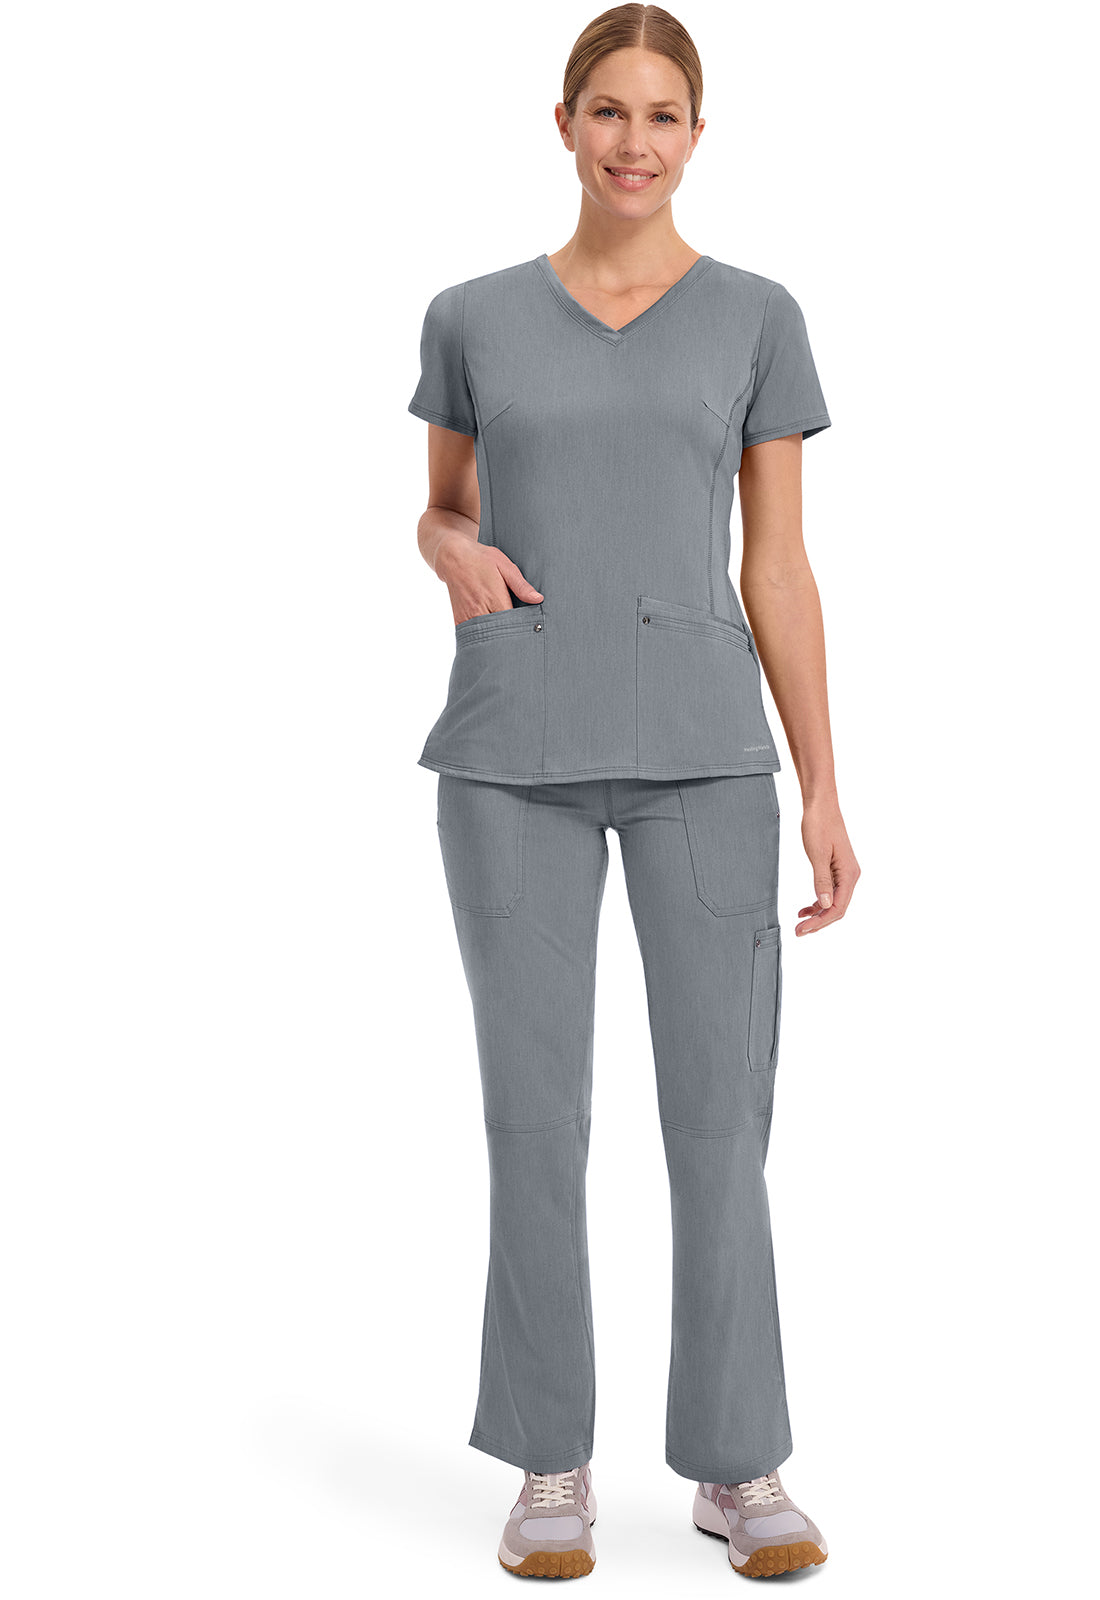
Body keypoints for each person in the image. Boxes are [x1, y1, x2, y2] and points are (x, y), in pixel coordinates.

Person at [407, 3, 859, 1580]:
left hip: (706, 759)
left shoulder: (757, 318)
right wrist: (448, 550)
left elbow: (778, 565)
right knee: (534, 1120)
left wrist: (823, 786)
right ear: (564, 123)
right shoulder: (472, 316)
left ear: (697, 135)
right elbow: (441, 509)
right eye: (609, 110)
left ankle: (739, 1465)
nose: (634, 141)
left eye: (663, 114)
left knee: (720, 1124)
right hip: (509, 759)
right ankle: (551, 1460)